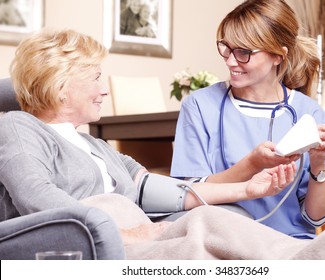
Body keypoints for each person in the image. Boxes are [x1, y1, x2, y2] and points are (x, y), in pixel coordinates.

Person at [0, 28, 296, 241]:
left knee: (227, 217)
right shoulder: (19, 127)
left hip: (134, 231)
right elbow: (36, 197)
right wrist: (124, 234)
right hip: (102, 241)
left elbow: (168, 191)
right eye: (95, 78)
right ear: (60, 87)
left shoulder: (95, 146)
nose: (104, 89)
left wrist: (247, 190)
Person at [170, 0, 325, 239]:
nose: (231, 61)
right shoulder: (200, 106)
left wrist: (318, 166)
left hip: (289, 243)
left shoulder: (311, 115)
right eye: (226, 47)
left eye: (244, 52)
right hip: (221, 239)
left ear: (278, 56)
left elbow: (317, 217)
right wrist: (253, 164)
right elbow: (187, 197)